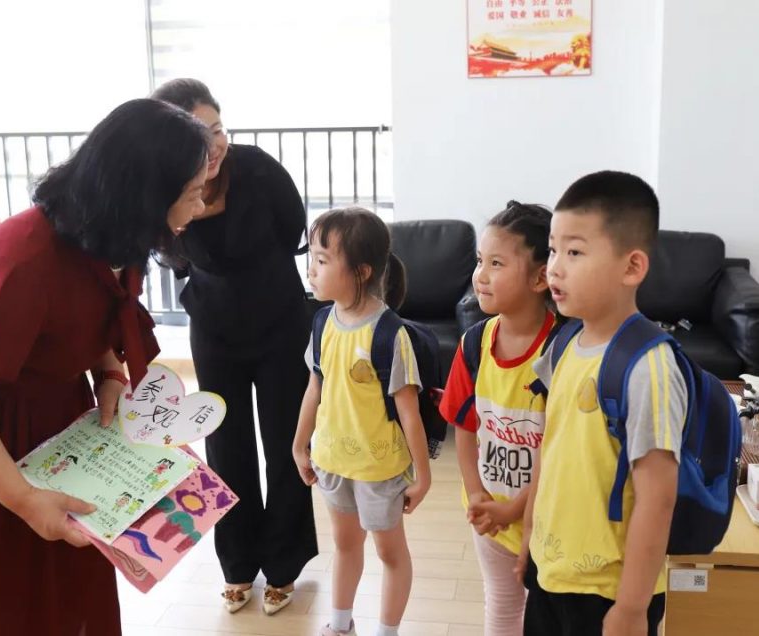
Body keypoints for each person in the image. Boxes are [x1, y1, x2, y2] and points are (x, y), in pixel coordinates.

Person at [0, 98, 211, 635]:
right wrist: (24, 498)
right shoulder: (21, 258)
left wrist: (109, 372)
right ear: (148, 193)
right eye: (194, 192)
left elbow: (93, 304)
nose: (201, 205)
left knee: (66, 579)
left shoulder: (114, 231)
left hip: (52, 407)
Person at [151, 78, 317, 614]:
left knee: (287, 438)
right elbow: (167, 255)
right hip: (214, 324)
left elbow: (294, 228)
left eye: (218, 129)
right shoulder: (165, 185)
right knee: (225, 443)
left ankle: (285, 563)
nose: (215, 144)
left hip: (279, 318)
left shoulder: (258, 169)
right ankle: (238, 564)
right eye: (200, 134)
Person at [516, 171, 686, 636]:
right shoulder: (564, 344)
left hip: (607, 591)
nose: (554, 268)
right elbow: (549, 447)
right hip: (552, 569)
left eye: (574, 252)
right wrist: (530, 533)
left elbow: (658, 498)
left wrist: (631, 608)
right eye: (553, 250)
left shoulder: (648, 367)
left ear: (631, 267)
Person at [292, 207, 432, 636]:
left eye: (322, 260)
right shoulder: (322, 322)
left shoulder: (390, 334)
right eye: (312, 259)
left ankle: (387, 630)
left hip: (379, 469)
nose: (311, 270)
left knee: (390, 554)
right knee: (345, 545)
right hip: (332, 461)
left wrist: (423, 475)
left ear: (361, 271)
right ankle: (340, 625)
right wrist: (300, 445)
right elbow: (315, 389)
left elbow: (409, 412)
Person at [438, 201, 556, 635]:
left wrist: (515, 510)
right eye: (479, 261)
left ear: (540, 278)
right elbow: (464, 427)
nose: (480, 276)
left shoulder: (562, 351)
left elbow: (559, 451)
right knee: (502, 605)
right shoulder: (474, 344)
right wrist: (476, 495)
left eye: (497, 264)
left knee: (547, 614)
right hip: (489, 512)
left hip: (548, 518)